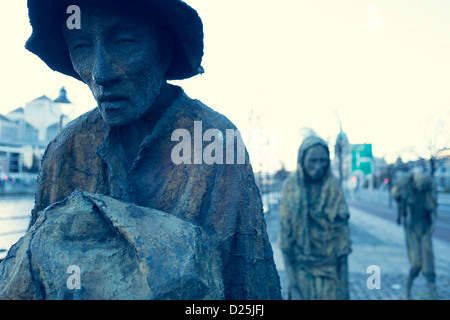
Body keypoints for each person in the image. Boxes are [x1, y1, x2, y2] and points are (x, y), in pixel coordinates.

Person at [1, 0, 281, 300]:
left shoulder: (216, 140)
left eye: (124, 42)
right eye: (81, 46)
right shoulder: (66, 149)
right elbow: (33, 270)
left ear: (165, 48)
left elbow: (249, 283)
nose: (100, 73)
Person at [279, 135, 352, 300]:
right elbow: (285, 242)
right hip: (301, 271)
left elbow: (343, 244)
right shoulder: (290, 188)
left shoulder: (334, 189)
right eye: (313, 160)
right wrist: (294, 286)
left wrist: (344, 287)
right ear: (302, 159)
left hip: (330, 274)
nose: (318, 166)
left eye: (323, 160)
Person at [392, 172, 438, 299]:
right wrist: (398, 216)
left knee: (428, 262)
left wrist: (433, 223)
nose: (421, 188)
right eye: (419, 186)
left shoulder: (426, 191)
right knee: (416, 263)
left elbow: (432, 208)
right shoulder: (407, 190)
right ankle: (407, 290)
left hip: (424, 227)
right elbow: (398, 199)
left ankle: (433, 292)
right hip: (411, 229)